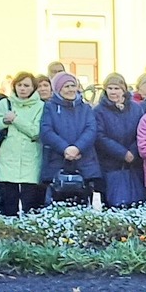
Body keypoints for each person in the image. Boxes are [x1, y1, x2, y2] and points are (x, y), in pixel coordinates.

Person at [40, 73, 103, 206]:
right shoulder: (50, 107)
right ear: (58, 89)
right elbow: (46, 131)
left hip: (84, 163)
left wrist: (77, 148)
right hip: (57, 163)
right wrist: (65, 149)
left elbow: (91, 129)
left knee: (83, 208)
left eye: (72, 85)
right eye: (66, 86)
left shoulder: (86, 108)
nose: (70, 89)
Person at [0, 74, 47, 216]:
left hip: (31, 158)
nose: (22, 89)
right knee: (8, 203)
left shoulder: (40, 106)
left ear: (33, 88)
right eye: (19, 85)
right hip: (8, 157)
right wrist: (5, 121)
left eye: (26, 85)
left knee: (30, 204)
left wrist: (15, 119)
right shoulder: (5, 103)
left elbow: (35, 131)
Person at [95, 75, 146, 209]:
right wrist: (122, 153)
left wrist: (133, 151)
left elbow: (142, 132)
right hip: (110, 164)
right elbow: (100, 136)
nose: (113, 92)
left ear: (123, 90)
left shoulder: (136, 108)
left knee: (136, 204)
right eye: (109, 88)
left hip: (134, 164)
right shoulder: (99, 111)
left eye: (116, 88)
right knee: (114, 204)